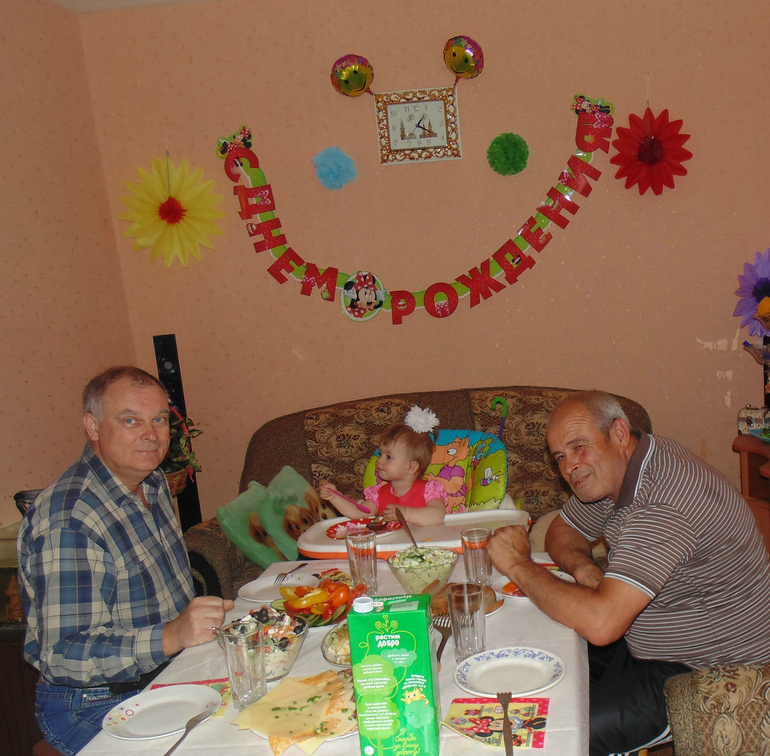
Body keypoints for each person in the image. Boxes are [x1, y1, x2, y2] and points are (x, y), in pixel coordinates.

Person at [488, 390, 770, 756]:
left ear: (619, 433)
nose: (569, 466)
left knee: (550, 735)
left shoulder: (662, 501)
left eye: (578, 447)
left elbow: (602, 625)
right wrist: (587, 571)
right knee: (531, 654)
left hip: (712, 670)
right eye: (560, 456)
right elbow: (563, 530)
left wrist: (517, 564)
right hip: (649, 634)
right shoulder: (624, 467)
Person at [17, 366, 234, 756]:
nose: (151, 434)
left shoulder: (152, 482)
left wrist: (191, 632)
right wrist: (172, 635)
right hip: (94, 703)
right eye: (131, 420)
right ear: (93, 426)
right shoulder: (71, 521)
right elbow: (63, 654)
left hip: (167, 673)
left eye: (159, 420)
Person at [319, 405, 448, 525]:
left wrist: (405, 513)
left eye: (389, 457)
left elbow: (437, 516)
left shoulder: (430, 491)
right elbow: (359, 513)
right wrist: (334, 496)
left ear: (411, 467)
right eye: (380, 454)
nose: (379, 460)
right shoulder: (379, 494)